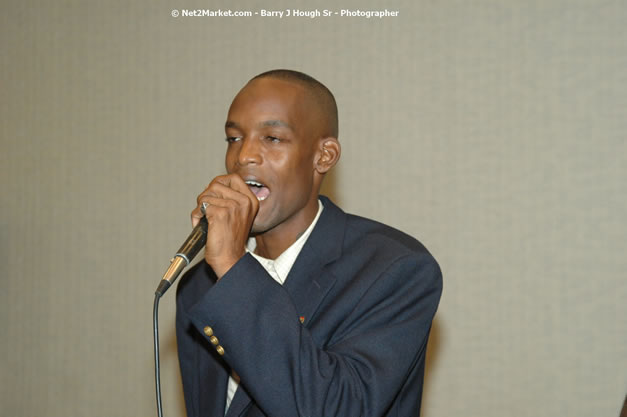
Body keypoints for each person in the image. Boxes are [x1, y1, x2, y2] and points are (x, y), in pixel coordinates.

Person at [175, 69, 442, 417]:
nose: (243, 156)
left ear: (324, 156)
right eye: (234, 138)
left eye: (271, 138)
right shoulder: (199, 287)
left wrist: (234, 266)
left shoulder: (395, 269)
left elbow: (337, 409)